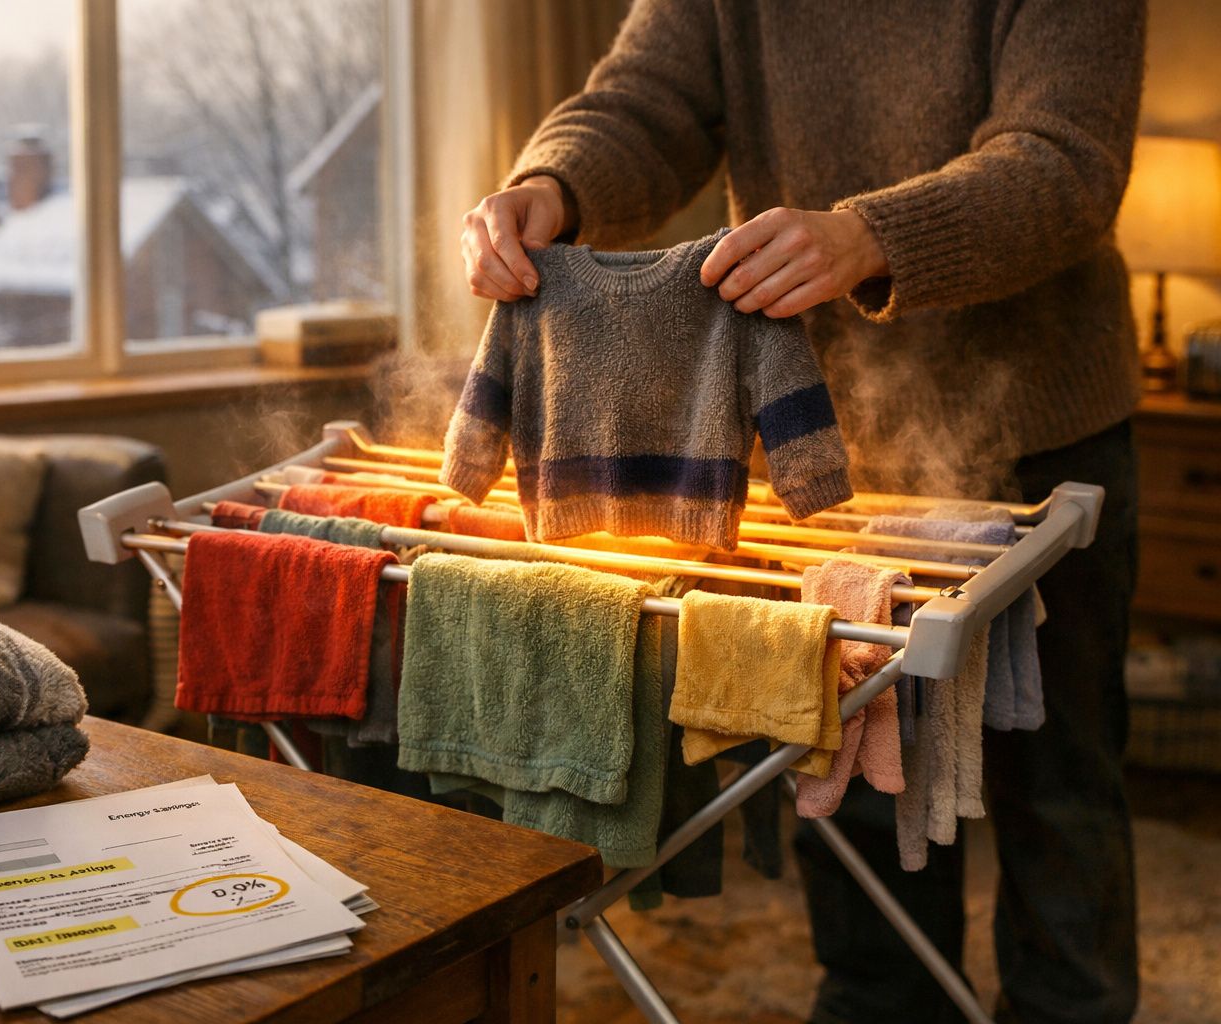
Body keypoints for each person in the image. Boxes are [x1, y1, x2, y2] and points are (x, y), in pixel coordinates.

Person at [459, 3, 1145, 1023]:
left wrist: (868, 235)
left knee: (1057, 778)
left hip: (1047, 430)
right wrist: (548, 185)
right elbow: (645, 103)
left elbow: (1064, 161)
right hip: (829, 443)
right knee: (855, 771)